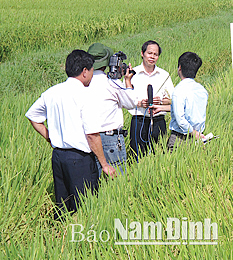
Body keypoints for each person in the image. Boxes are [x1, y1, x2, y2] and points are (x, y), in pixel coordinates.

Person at [25, 49, 117, 219]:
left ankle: (61, 237)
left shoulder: (52, 92)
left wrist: (50, 138)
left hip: (58, 157)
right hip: (79, 160)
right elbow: (92, 135)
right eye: (91, 71)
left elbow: (32, 116)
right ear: (84, 71)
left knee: (63, 206)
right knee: (85, 208)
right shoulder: (85, 95)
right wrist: (104, 164)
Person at [86, 43, 138, 176]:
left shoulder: (82, 82)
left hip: (88, 138)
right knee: (117, 181)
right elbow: (131, 102)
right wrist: (127, 81)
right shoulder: (111, 83)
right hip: (110, 139)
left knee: (93, 182)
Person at [150, 52, 208, 151]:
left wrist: (193, 132)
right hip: (198, 138)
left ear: (179, 67)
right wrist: (161, 108)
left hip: (180, 139)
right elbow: (190, 109)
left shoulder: (178, 90)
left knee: (175, 165)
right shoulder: (202, 90)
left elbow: (180, 120)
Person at [127, 40, 174, 158]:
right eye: (149, 53)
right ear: (142, 53)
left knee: (159, 155)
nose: (152, 57)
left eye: (155, 54)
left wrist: (161, 101)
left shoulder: (164, 75)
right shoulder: (133, 74)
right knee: (136, 156)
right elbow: (125, 100)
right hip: (139, 120)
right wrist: (140, 103)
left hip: (158, 120)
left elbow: (172, 99)